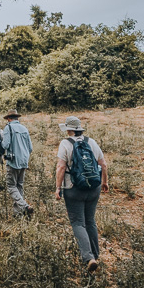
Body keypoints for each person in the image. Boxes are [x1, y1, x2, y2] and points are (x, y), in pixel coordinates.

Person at [54, 116, 109, 273]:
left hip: (73, 188)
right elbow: (103, 164)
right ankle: (95, 255)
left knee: (78, 222)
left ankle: (88, 257)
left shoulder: (65, 143)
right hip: (93, 187)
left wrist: (58, 187)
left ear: (68, 130)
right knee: (90, 220)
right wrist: (104, 182)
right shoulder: (91, 142)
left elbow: (60, 167)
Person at [1, 109, 34, 217]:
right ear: (17, 118)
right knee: (19, 185)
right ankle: (18, 213)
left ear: (9, 118)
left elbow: (5, 145)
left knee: (11, 185)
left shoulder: (8, 128)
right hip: (24, 160)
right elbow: (30, 148)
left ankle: (25, 206)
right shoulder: (24, 128)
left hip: (13, 161)